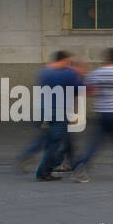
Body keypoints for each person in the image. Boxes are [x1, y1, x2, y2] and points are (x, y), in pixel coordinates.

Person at [72, 47, 113, 183]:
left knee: (95, 143)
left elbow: (90, 92)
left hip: (102, 112)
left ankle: (81, 165)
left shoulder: (96, 73)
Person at [33, 51, 84, 181]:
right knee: (54, 144)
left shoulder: (45, 71)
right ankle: (43, 172)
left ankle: (72, 167)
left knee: (61, 142)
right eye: (68, 61)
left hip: (47, 110)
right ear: (63, 59)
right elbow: (78, 88)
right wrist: (80, 74)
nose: (69, 64)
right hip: (60, 111)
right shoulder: (67, 73)